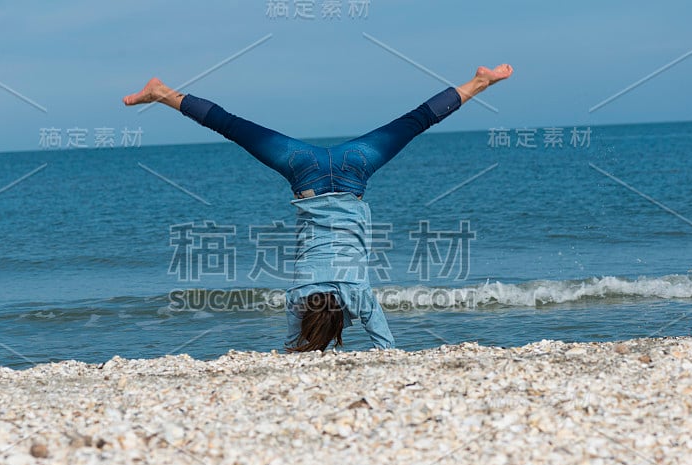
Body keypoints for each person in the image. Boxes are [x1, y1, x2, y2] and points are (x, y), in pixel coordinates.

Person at [123, 64, 513, 352]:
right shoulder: (297, 296)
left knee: (414, 122)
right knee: (233, 126)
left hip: (355, 169)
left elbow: (387, 347)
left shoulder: (356, 293)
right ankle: (162, 93)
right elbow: (295, 342)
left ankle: (479, 81)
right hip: (304, 170)